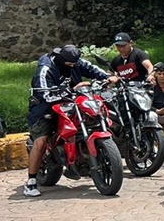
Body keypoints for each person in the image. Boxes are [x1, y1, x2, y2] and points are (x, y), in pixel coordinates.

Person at [25, 44, 117, 197]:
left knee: (93, 116)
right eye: (70, 64)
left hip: (71, 101)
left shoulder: (75, 61)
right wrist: (71, 90)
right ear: (61, 59)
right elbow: (45, 94)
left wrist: (108, 78)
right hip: (45, 106)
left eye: (74, 63)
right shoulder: (46, 68)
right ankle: (31, 182)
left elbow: (92, 69)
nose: (73, 66)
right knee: (41, 140)